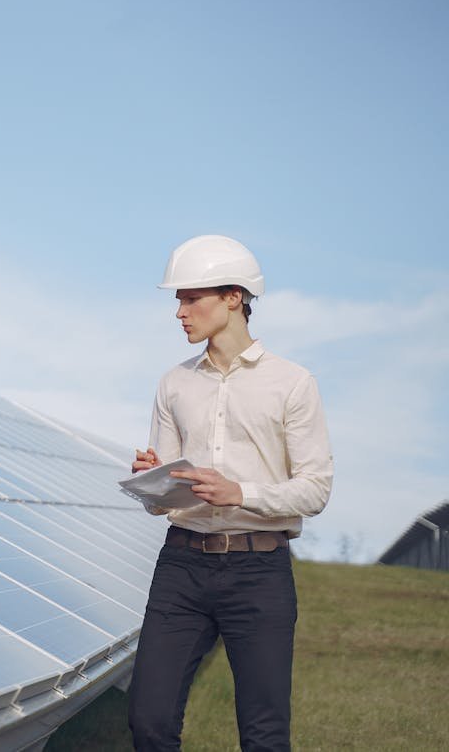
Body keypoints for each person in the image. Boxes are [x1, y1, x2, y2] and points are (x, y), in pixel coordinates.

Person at [126, 234, 333, 752]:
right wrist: (154, 481)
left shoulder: (292, 383)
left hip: (259, 573)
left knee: (264, 735)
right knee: (148, 722)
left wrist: (240, 493)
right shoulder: (173, 384)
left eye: (191, 298)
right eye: (177, 299)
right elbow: (163, 502)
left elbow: (315, 489)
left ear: (234, 297)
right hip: (181, 567)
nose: (179, 311)